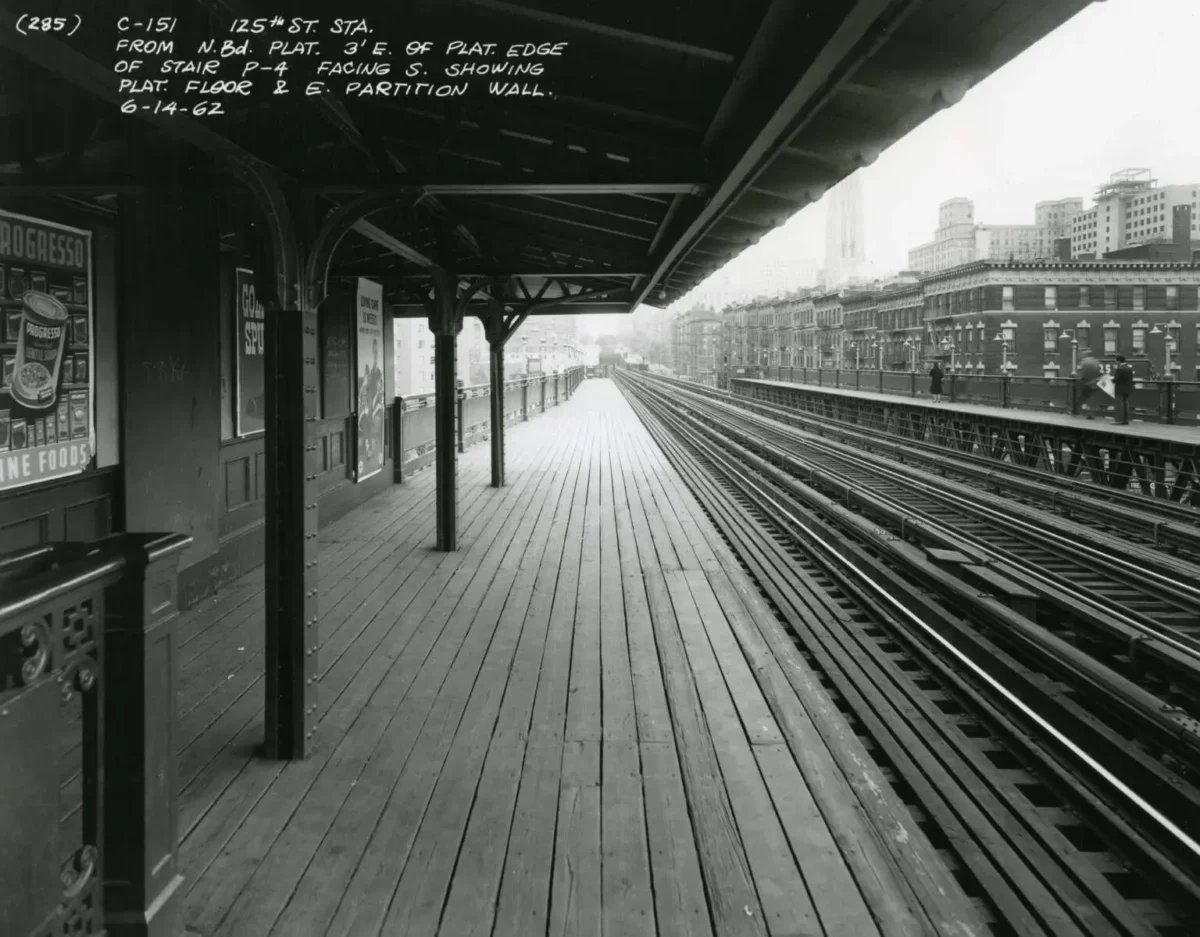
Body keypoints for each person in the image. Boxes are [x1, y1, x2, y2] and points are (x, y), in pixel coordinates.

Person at [1076, 351, 1102, 419]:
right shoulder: (1096, 362)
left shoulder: (1083, 362)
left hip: (1085, 383)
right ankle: (1091, 414)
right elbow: (1100, 373)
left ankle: (1077, 412)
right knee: (1092, 399)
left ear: (1086, 355)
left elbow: (1080, 373)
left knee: (1081, 398)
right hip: (1094, 383)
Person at [1112, 354, 1134, 425]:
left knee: (1119, 405)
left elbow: (1115, 380)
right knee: (1126, 404)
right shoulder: (1129, 368)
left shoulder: (1120, 369)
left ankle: (1119, 420)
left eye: (1116, 361)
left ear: (1119, 361)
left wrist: (1111, 379)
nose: (1115, 362)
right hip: (1127, 389)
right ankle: (1125, 420)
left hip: (1120, 390)